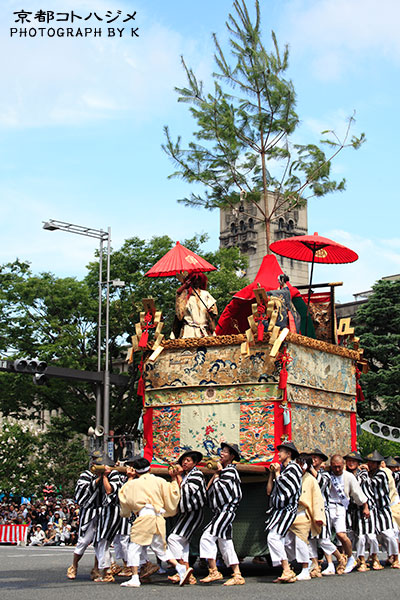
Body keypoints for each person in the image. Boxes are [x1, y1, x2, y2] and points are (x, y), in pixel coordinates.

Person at [119, 456, 192, 588]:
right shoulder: (159, 481)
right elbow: (172, 492)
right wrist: (174, 479)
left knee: (134, 547)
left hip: (144, 517)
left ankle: (135, 577)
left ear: (136, 471)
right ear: (150, 469)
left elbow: (124, 496)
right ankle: (180, 567)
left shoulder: (133, 484)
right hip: (158, 517)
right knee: (161, 549)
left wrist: (130, 477)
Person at [199, 442, 244, 586]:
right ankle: (237, 574)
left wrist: (218, 475)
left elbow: (220, 490)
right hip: (221, 511)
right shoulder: (224, 471)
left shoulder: (230, 471)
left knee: (207, 537)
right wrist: (216, 474)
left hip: (226, 510)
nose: (222, 454)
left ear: (232, 456)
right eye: (222, 451)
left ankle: (213, 571)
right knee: (225, 543)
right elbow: (209, 489)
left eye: (225, 452)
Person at [265, 441, 303, 584]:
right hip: (279, 510)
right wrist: (272, 474)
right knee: (280, 540)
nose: (279, 454)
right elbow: (269, 491)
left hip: (287, 509)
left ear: (289, 454)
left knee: (273, 537)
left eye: (281, 451)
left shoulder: (294, 468)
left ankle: (287, 569)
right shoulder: (284, 469)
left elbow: (287, 490)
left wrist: (277, 473)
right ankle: (287, 569)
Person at [168, 450, 207, 585]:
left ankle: (182, 568)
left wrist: (178, 476)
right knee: (183, 543)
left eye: (188, 460)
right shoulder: (186, 475)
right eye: (183, 460)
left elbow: (187, 490)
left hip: (193, 512)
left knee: (173, 538)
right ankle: (186, 574)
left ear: (194, 463)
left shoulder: (197, 474)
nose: (185, 463)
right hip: (186, 512)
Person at [285, 453, 325, 581]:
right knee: (287, 543)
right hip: (290, 513)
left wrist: (318, 516)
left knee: (301, 542)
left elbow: (317, 499)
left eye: (301, 463)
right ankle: (296, 564)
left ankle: (305, 568)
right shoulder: (292, 476)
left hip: (303, 513)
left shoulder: (311, 479)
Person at [67, 451, 104, 581]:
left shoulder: (107, 475)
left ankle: (96, 568)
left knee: (100, 542)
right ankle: (74, 566)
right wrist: (99, 479)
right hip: (89, 511)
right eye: (94, 459)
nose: (95, 462)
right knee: (83, 541)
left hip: (102, 511)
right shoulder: (85, 475)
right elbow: (83, 492)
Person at [328, 454, 369, 574]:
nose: (337, 469)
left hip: (340, 507)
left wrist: (365, 506)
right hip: (327, 507)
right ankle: (333, 562)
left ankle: (350, 557)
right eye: (334, 467)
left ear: (343, 465)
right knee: (324, 537)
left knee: (341, 535)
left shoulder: (349, 476)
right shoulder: (327, 475)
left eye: (339, 467)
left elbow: (357, 493)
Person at [309, 448, 346, 576]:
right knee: (311, 540)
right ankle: (315, 566)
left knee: (323, 539)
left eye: (316, 458)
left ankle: (339, 558)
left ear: (321, 461)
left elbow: (320, 482)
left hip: (322, 509)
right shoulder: (307, 473)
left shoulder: (325, 475)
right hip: (310, 509)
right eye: (312, 457)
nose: (313, 459)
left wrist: (310, 467)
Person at [363, 450, 400, 569]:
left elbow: (371, 484)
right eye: (369, 462)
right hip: (371, 509)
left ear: (378, 464)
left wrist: (363, 474)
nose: (370, 464)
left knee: (389, 534)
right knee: (371, 535)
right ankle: (374, 557)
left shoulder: (382, 474)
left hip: (382, 509)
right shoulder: (368, 474)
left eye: (373, 463)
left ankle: (396, 557)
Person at [345, 451, 378, 572]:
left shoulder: (362, 474)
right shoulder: (345, 474)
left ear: (358, 463)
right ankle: (361, 559)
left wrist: (366, 506)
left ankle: (374, 557)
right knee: (360, 536)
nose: (351, 463)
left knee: (371, 536)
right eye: (349, 461)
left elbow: (361, 489)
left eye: (353, 461)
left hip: (367, 506)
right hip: (353, 509)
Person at [175, 272, 218, 338]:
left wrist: (211, 311)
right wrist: (184, 286)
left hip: (205, 331)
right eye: (194, 280)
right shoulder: (184, 295)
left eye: (198, 280)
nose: (197, 282)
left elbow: (214, 310)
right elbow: (180, 314)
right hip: (189, 331)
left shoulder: (205, 294)